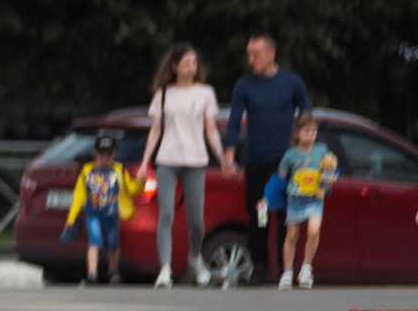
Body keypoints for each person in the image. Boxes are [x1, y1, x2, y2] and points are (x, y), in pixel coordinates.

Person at [223, 33, 311, 285]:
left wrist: (306, 151)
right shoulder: (245, 85)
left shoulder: (291, 83)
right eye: (249, 55)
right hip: (257, 162)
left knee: (287, 216)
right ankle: (260, 265)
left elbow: (306, 116)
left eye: (256, 55)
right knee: (260, 215)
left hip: (286, 163)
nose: (251, 60)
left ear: (271, 54)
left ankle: (287, 268)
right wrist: (230, 155)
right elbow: (233, 123)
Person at [135, 42, 224, 288]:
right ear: (174, 66)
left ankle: (195, 257)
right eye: (186, 63)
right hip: (167, 160)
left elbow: (211, 130)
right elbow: (155, 131)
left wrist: (223, 156)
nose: (191, 68)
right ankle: (165, 268)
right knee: (166, 214)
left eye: (194, 63)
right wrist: (144, 163)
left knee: (196, 219)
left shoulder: (205, 93)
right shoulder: (163, 94)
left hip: (196, 160)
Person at [272, 115, 339, 288]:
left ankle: (306, 268)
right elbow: (280, 178)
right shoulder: (291, 155)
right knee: (292, 235)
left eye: (313, 131)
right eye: (306, 131)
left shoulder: (322, 150)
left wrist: (331, 179)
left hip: (315, 198)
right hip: (295, 199)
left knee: (314, 231)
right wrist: (268, 197)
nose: (311, 135)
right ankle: (287, 272)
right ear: (297, 133)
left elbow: (332, 168)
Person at [67, 131, 133, 287]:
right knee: (94, 241)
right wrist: (71, 218)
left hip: (111, 213)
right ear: (95, 153)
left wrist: (141, 184)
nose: (105, 158)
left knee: (113, 243)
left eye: (108, 154)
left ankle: (113, 271)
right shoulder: (87, 171)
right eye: (101, 154)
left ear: (114, 154)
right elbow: (79, 196)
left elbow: (129, 187)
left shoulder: (118, 170)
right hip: (93, 213)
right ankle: (92, 273)